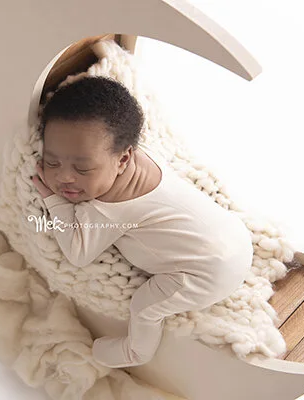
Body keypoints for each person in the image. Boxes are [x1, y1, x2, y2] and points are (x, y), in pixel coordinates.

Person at [31, 76, 253, 368]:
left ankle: (136, 352)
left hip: (207, 276)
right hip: (236, 238)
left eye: (82, 169)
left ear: (123, 159)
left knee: (145, 306)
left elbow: (77, 252)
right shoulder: (144, 157)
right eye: (51, 162)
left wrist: (55, 202)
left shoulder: (110, 208)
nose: (64, 177)